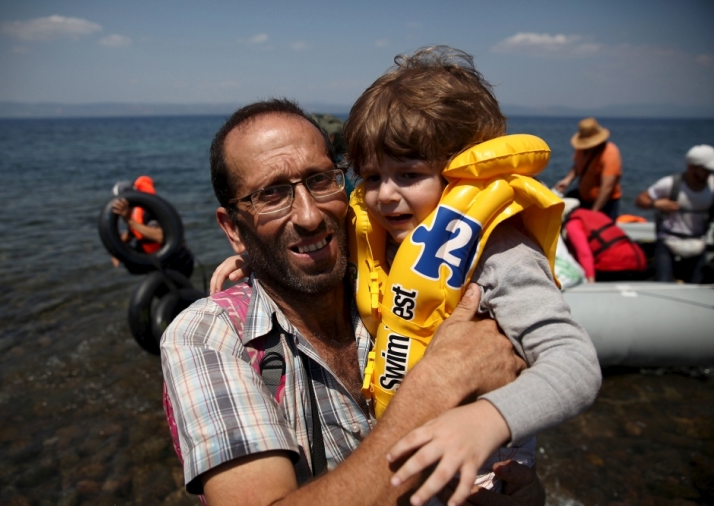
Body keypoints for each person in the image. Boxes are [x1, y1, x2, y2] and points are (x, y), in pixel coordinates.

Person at [207, 47, 600, 505]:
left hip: (480, 475)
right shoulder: (384, 236)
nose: (385, 197)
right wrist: (256, 258)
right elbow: (316, 235)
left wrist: (487, 420)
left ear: (461, 175)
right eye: (371, 177)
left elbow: (576, 364)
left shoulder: (500, 252)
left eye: (409, 174)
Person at [161, 99, 546, 505]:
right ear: (233, 229)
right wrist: (437, 385)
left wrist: (525, 494)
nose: (309, 216)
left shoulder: (405, 276)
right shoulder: (209, 337)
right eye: (271, 194)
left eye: (321, 180)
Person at [635, 144, 714, 283]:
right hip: (669, 241)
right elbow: (640, 200)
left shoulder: (712, 188)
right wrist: (656, 204)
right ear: (692, 167)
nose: (709, 173)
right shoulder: (670, 184)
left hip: (698, 241)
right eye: (706, 169)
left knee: (697, 289)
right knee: (663, 285)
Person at [110, 175, 195, 278]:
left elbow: (160, 236)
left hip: (177, 263)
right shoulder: (134, 214)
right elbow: (130, 235)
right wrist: (116, 251)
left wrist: (130, 221)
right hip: (159, 264)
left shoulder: (147, 212)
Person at [561, 198, 647, 283]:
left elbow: (584, 254)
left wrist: (590, 280)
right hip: (639, 260)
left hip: (614, 265)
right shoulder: (597, 214)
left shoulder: (573, 223)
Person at [554, 117, 623, 220]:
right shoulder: (581, 150)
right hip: (583, 199)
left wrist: (595, 211)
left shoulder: (610, 153)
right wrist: (567, 180)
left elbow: (607, 187)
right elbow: (577, 166)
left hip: (605, 204)